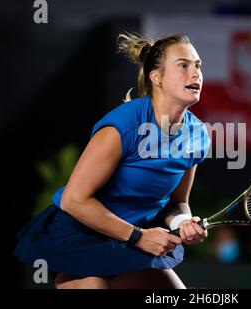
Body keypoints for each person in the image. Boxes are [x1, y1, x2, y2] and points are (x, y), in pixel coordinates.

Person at [14, 32, 211, 289]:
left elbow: (177, 203)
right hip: (83, 233)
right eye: (183, 65)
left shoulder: (198, 136)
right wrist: (139, 237)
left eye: (198, 66)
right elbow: (74, 199)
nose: (196, 73)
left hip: (136, 237)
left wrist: (182, 222)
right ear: (157, 78)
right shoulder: (125, 124)